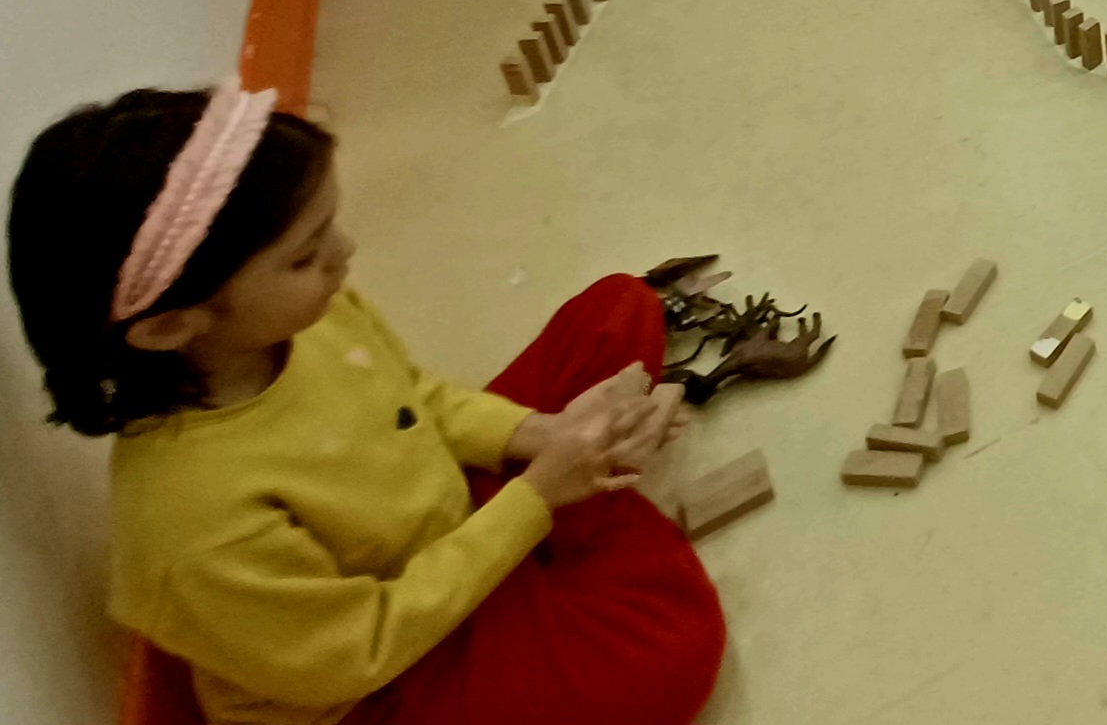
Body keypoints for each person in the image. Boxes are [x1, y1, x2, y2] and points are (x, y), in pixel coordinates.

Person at [6, 86, 723, 725]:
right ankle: (574, 536)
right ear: (170, 326)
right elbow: (363, 649)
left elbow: (420, 398)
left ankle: (572, 523)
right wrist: (536, 497)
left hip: (436, 526)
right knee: (669, 648)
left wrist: (538, 433)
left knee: (617, 311)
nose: (344, 252)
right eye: (305, 255)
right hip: (384, 678)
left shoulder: (301, 318)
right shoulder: (196, 525)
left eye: (329, 228)